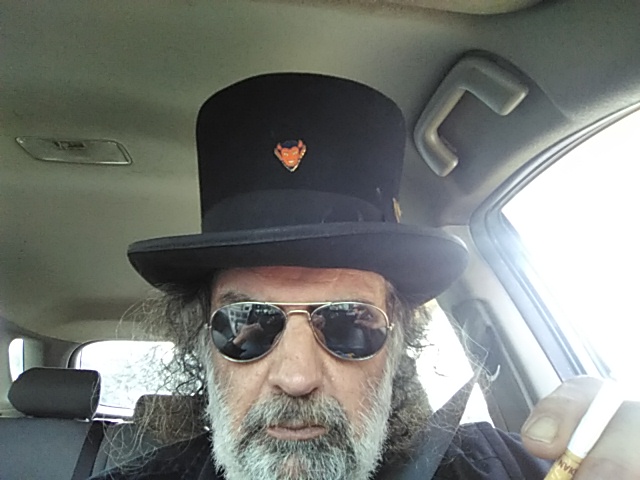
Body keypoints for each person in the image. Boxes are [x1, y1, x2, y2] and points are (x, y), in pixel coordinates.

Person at [92, 73, 640, 480]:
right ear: (202, 346)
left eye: (350, 324)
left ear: (398, 345)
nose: (297, 376)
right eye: (246, 324)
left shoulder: (497, 469)